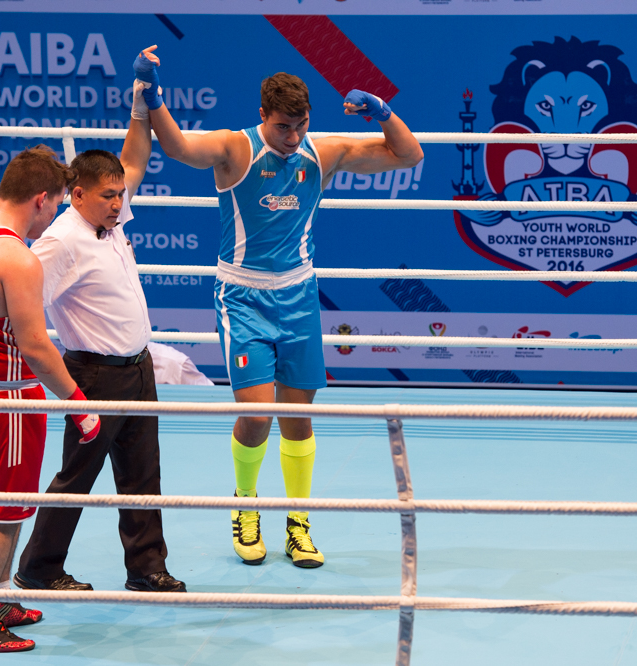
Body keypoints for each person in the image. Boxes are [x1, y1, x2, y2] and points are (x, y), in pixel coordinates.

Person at [141, 47, 423, 568]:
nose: (293, 137)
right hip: (242, 296)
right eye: (283, 127)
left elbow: (409, 156)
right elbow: (178, 147)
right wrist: (151, 96)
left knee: (297, 416)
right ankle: (245, 507)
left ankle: (298, 522)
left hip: (298, 296)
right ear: (264, 116)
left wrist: (383, 112)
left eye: (301, 125)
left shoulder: (323, 152)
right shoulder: (234, 149)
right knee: (255, 415)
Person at [15, 46, 186, 595]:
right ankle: (37, 570)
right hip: (92, 376)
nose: (120, 202)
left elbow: (133, 159)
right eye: (109, 196)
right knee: (77, 478)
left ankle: (147, 569)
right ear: (77, 194)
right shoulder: (59, 240)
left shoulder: (107, 220)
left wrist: (141, 96)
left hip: (137, 370)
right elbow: (15, 284)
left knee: (143, 476)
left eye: (121, 195)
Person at [0, 145, 101, 653]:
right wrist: (80, 402)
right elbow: (35, 346)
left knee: (4, 503)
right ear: (39, 199)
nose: (53, 215)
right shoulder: (17, 258)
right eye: (55, 204)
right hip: (2, 400)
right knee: (1, 511)